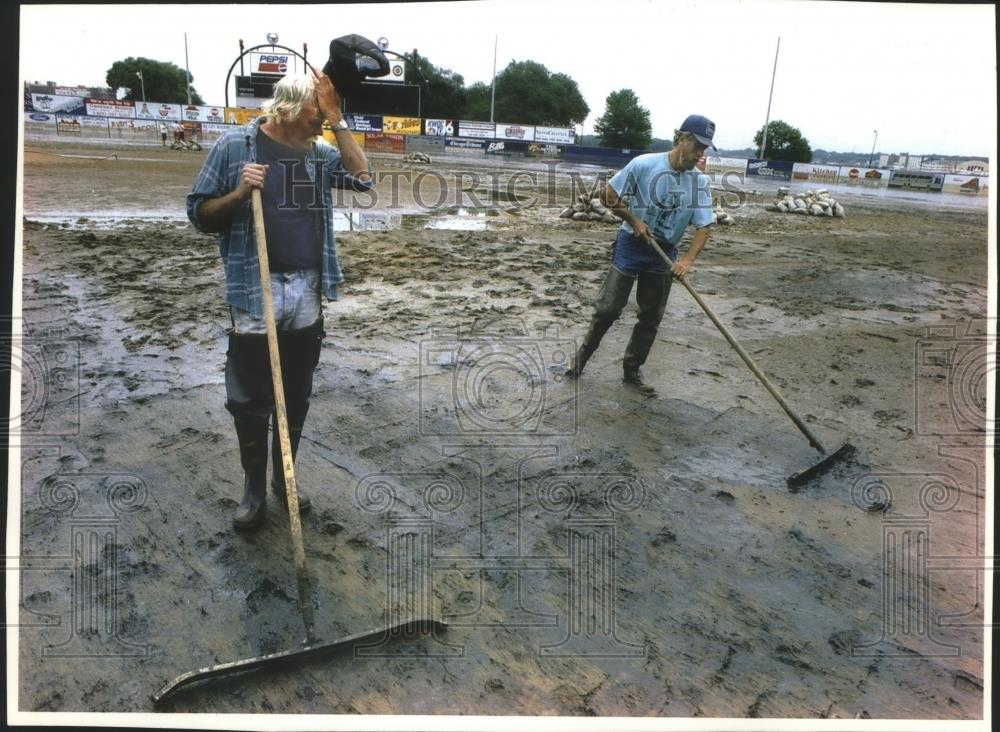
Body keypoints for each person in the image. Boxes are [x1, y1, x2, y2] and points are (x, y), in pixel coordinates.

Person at [186, 68, 371, 531]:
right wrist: (241, 191)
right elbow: (200, 214)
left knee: (296, 392)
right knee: (250, 397)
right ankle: (253, 490)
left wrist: (338, 118)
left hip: (308, 288)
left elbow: (364, 178)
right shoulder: (235, 147)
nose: (322, 123)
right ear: (289, 108)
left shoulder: (319, 155)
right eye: (317, 113)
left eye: (327, 116)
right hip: (255, 287)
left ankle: (284, 478)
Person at [567, 114, 716, 395]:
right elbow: (607, 195)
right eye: (697, 146)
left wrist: (686, 261)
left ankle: (632, 372)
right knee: (608, 309)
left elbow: (704, 227)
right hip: (631, 244)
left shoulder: (699, 183)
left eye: (704, 150)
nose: (700, 154)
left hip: (664, 253)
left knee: (651, 317)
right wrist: (634, 221)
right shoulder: (644, 164)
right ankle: (580, 361)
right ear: (681, 139)